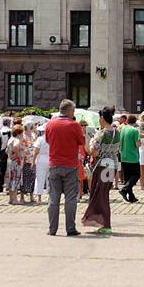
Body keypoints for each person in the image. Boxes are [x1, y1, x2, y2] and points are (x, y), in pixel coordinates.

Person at [44, 100, 86, 237]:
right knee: (70, 198)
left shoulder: (50, 124)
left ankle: (52, 229)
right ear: (69, 111)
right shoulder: (74, 125)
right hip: (70, 165)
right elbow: (82, 142)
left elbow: (47, 140)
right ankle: (70, 228)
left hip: (54, 164)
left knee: (53, 198)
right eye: (73, 111)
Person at [83, 107, 120, 234]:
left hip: (102, 167)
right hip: (113, 166)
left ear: (102, 118)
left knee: (100, 194)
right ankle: (104, 223)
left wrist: (89, 143)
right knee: (104, 193)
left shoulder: (101, 133)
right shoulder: (117, 132)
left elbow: (94, 152)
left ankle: (106, 224)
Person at [117, 113, 142, 203]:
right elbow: (137, 144)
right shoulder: (135, 131)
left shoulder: (122, 129)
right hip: (133, 156)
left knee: (127, 178)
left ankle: (131, 196)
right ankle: (125, 189)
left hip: (124, 155)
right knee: (136, 174)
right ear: (135, 122)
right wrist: (140, 143)